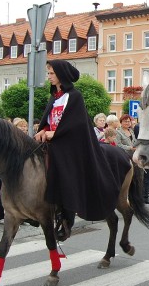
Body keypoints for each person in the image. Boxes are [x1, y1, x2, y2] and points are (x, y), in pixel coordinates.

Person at [34, 60, 119, 240]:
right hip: (54, 139)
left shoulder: (74, 96)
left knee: (63, 167)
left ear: (61, 75)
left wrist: (54, 133)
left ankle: (67, 216)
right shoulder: (55, 97)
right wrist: (43, 129)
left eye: (51, 73)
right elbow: (49, 119)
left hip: (69, 143)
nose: (48, 77)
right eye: (48, 73)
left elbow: (76, 123)